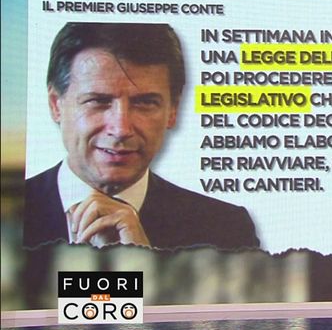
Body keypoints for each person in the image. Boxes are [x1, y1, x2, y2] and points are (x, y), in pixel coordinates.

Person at [24, 22, 259, 250]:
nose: (121, 129)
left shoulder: (226, 230)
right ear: (55, 105)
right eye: (98, 101)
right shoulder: (13, 212)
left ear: (173, 110)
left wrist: (150, 263)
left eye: (145, 102)